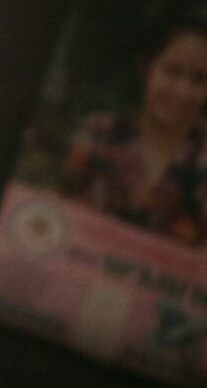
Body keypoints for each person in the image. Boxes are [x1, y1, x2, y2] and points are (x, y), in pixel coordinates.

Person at [60, 15, 207, 243]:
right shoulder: (98, 134)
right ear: (145, 68)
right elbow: (60, 218)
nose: (183, 91)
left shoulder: (202, 159)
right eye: (173, 71)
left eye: (199, 80)